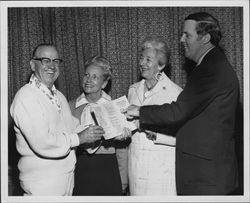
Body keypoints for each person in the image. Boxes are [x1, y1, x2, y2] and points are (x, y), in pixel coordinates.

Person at [125, 12, 240, 195]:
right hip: (208, 172)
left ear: (205, 38)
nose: (181, 39)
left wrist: (139, 111)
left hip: (206, 176)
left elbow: (178, 112)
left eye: (187, 35)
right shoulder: (213, 64)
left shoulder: (210, 68)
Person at [10, 44, 105, 196]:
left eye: (56, 61)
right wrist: (79, 138)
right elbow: (43, 142)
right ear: (33, 65)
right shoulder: (26, 96)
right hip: (42, 181)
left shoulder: (59, 96)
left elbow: (73, 127)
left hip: (66, 177)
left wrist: (105, 130)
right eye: (45, 60)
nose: (52, 66)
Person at [127, 36, 182, 195]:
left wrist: (157, 135)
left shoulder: (176, 94)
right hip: (135, 168)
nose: (142, 63)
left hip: (161, 172)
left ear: (161, 65)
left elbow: (185, 138)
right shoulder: (133, 89)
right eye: (141, 58)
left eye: (148, 59)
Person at [69, 55, 131, 196]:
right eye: (86, 75)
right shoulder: (70, 106)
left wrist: (122, 181)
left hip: (108, 169)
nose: (88, 80)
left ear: (104, 83)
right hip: (79, 169)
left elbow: (122, 152)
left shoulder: (114, 108)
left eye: (95, 77)